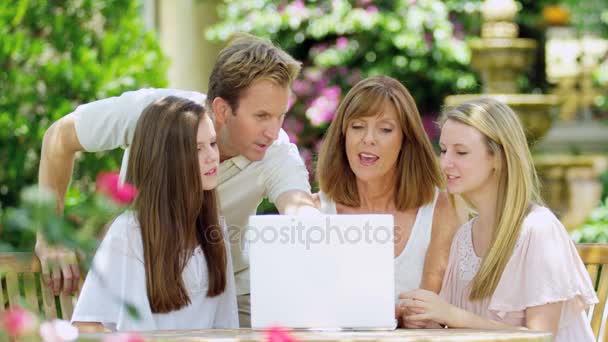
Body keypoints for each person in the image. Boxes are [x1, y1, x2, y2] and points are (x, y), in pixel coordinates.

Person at [38, 34, 316, 327]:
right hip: (146, 281)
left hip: (223, 293)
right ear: (222, 110)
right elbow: (59, 137)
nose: (273, 131)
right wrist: (49, 233)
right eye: (261, 116)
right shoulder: (157, 115)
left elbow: (300, 208)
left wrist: (316, 226)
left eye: (280, 116)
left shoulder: (277, 151)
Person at [401, 98, 597, 341]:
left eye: (461, 152)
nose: (445, 163)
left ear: (498, 158)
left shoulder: (538, 230)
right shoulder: (465, 236)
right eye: (443, 150)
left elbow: (541, 338)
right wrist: (429, 320)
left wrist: (453, 315)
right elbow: (455, 327)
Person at [71, 96, 238, 331]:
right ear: (167, 161)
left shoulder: (215, 229)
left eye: (212, 143)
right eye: (197, 148)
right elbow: (85, 324)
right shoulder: (129, 231)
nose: (212, 156)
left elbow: (226, 325)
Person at [313, 75, 461, 327]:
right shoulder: (314, 210)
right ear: (343, 135)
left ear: (406, 140)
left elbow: (425, 317)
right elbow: (307, 309)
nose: (368, 138)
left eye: (385, 129)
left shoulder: (440, 209)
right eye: (357, 126)